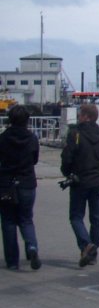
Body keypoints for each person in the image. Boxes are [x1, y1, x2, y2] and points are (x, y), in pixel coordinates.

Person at [61, 103, 99, 267]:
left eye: (80, 114)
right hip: (98, 181)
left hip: (80, 181)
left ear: (86, 116)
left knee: (76, 216)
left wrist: (67, 173)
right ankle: (93, 253)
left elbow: (67, 158)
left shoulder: (75, 134)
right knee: (96, 218)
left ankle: (86, 245)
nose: (78, 116)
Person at [0, 105, 40, 271]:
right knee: (26, 219)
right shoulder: (32, 138)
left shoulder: (3, 138)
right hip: (27, 182)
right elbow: (34, 159)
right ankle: (32, 247)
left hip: (6, 183)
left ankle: (12, 261)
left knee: (8, 221)